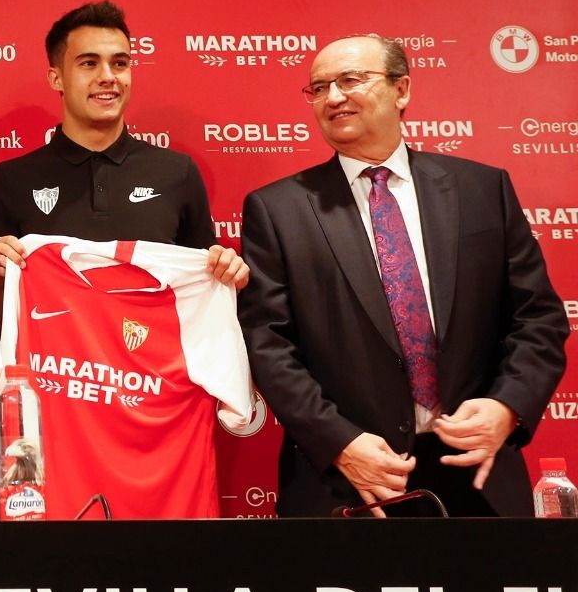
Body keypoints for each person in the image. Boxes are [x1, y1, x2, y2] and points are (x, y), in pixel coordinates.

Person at [239, 34, 568, 517]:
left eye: (351, 80)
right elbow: (266, 344)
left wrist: (506, 408)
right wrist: (340, 443)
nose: (333, 97)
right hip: (349, 482)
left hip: (477, 472)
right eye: (319, 88)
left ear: (402, 89)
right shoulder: (277, 209)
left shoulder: (482, 189)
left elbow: (538, 318)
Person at [0, 0, 246, 287]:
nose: (107, 77)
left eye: (119, 63)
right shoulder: (11, 180)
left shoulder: (178, 173)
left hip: (153, 334)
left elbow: (201, 289)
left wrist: (228, 274)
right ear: (56, 78)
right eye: (89, 64)